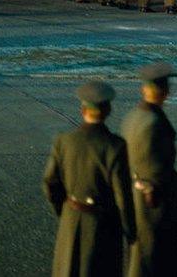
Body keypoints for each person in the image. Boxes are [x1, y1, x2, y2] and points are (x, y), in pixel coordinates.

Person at [42, 81, 136, 277]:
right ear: (108, 110)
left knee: (69, 268)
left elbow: (50, 182)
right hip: (103, 223)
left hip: (72, 215)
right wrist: (130, 231)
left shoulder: (63, 141)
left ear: (82, 109)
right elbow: (122, 195)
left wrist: (65, 208)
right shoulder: (115, 146)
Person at [122, 63, 177, 277]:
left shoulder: (133, 116)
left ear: (144, 89)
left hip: (134, 194)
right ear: (166, 92)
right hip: (154, 201)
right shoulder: (154, 122)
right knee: (155, 256)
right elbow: (157, 169)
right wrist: (176, 183)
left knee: (141, 253)